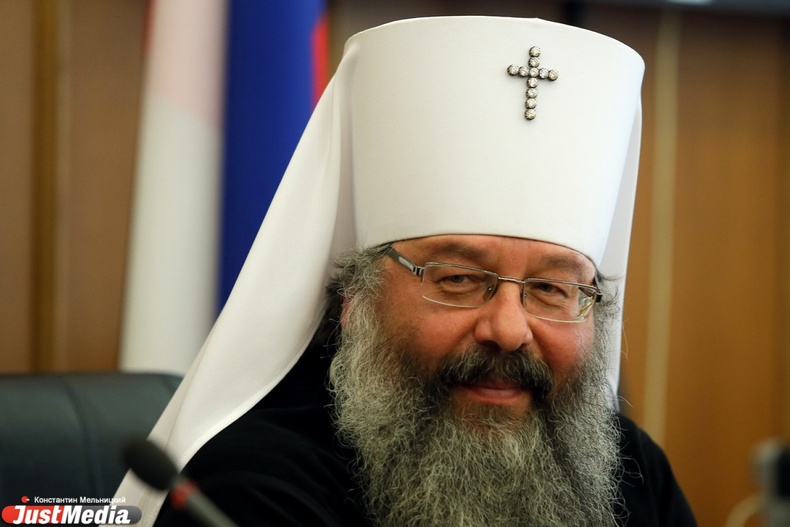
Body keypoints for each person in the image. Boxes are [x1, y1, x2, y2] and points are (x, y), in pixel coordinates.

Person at [116, 16, 697, 526]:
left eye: (551, 288)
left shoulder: (631, 476)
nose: (508, 329)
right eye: (459, 279)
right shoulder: (252, 486)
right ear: (356, 300)